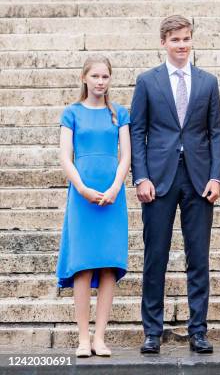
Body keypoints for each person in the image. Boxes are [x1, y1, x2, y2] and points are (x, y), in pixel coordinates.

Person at [130, 15, 220, 354]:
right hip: (158, 179)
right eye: (175, 40)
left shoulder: (207, 81)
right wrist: (140, 176)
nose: (182, 45)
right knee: (156, 255)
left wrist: (217, 176)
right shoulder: (147, 81)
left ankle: (198, 329)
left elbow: (217, 131)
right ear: (163, 43)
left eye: (186, 39)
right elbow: (137, 131)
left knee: (198, 257)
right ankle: (152, 331)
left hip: (199, 179)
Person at [56, 55, 130, 358]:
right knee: (83, 267)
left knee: (109, 266)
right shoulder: (71, 112)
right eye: (96, 76)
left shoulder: (120, 114)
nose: (101, 81)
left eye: (106, 77)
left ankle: (100, 337)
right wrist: (82, 188)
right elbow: (65, 156)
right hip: (82, 195)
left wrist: (115, 187)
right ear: (84, 78)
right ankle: (83, 338)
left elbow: (126, 155)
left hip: (113, 196)